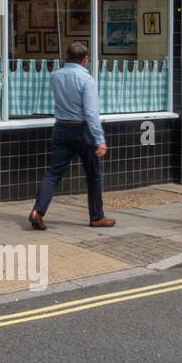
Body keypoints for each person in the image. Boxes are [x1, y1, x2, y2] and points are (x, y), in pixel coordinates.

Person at [27, 41, 116, 230]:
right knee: (93, 176)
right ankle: (96, 217)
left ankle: (38, 211)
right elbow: (91, 113)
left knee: (53, 174)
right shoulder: (86, 80)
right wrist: (99, 139)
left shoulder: (56, 76)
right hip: (82, 130)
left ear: (67, 57)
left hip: (61, 128)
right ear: (85, 59)